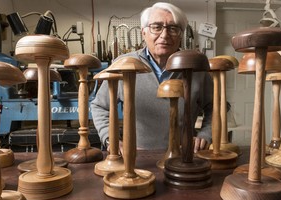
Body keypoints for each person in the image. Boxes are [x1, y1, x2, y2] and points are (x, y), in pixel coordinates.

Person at [91, 2, 213, 153]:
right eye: (157, 27)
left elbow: (217, 107)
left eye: (173, 28)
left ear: (181, 34)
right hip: (135, 156)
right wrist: (111, 138)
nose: (164, 35)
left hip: (183, 156)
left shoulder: (196, 68)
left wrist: (206, 133)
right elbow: (99, 106)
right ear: (144, 32)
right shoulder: (123, 65)